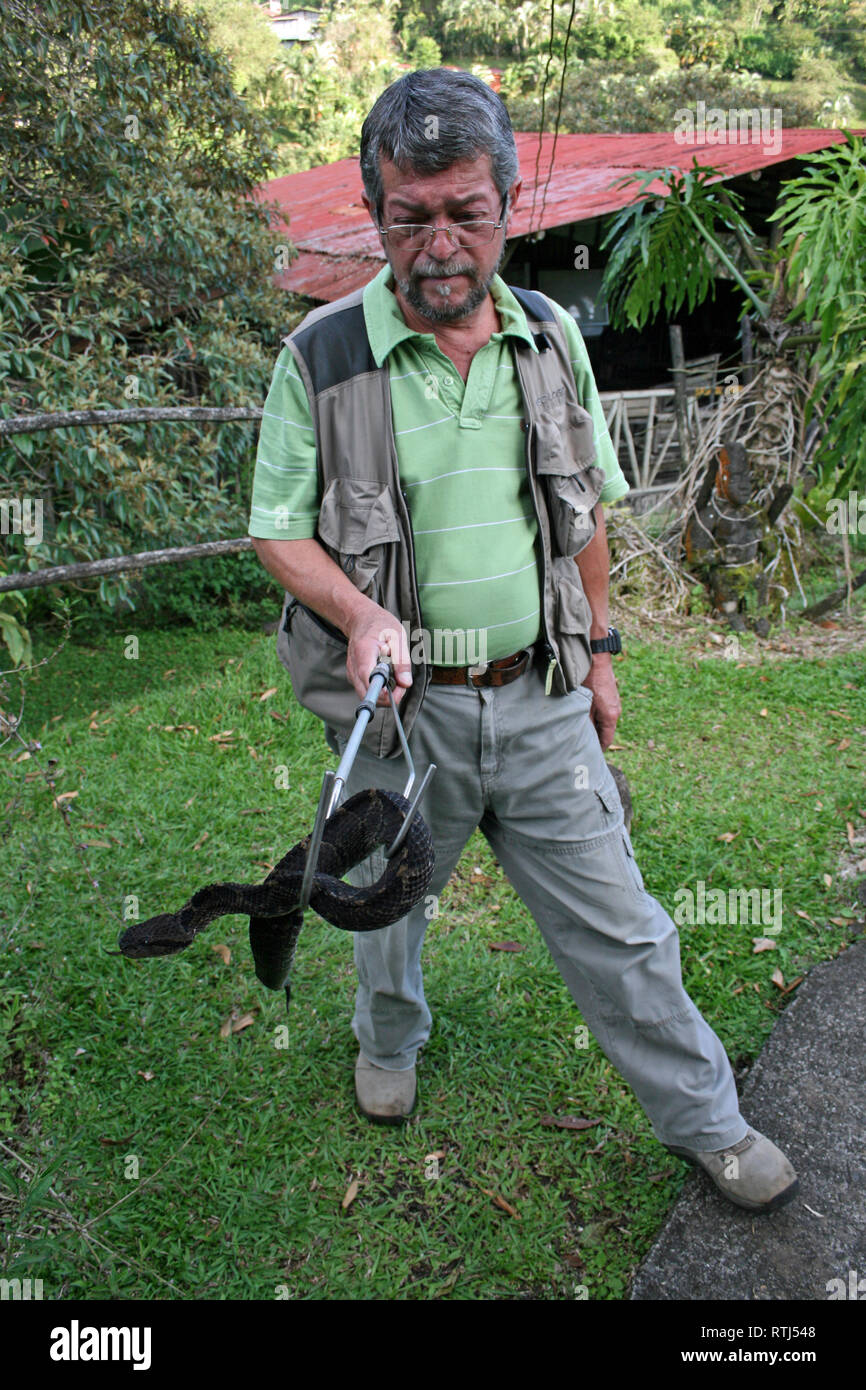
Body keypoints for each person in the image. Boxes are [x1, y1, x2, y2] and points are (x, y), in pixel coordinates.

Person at [248, 68, 798, 1214]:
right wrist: (360, 616)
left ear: (508, 204)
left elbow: (582, 510)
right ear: (375, 212)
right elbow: (276, 533)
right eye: (411, 216)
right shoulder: (323, 357)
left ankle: (708, 1121)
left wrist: (597, 655)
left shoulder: (548, 337)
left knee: (626, 929)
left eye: (466, 212)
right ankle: (387, 1043)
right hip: (406, 714)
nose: (439, 243)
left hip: (541, 697)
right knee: (387, 903)